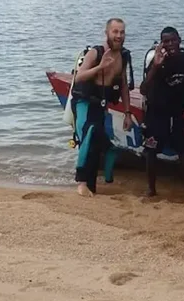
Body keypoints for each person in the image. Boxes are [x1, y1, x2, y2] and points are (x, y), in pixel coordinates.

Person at [46, 17, 133, 197]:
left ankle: (92, 186)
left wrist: (127, 113)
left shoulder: (123, 56)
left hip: (101, 106)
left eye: (122, 32)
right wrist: (99, 68)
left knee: (104, 146)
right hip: (84, 103)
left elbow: (123, 86)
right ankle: (82, 183)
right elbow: (78, 77)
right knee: (89, 137)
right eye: (115, 32)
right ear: (107, 33)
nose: (119, 36)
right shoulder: (96, 53)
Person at [139, 26, 184, 199]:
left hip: (178, 112)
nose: (170, 44)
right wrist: (156, 67)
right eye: (166, 41)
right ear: (162, 43)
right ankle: (151, 189)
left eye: (173, 40)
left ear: (179, 39)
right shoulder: (156, 59)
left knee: (182, 150)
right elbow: (143, 89)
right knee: (151, 151)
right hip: (156, 113)